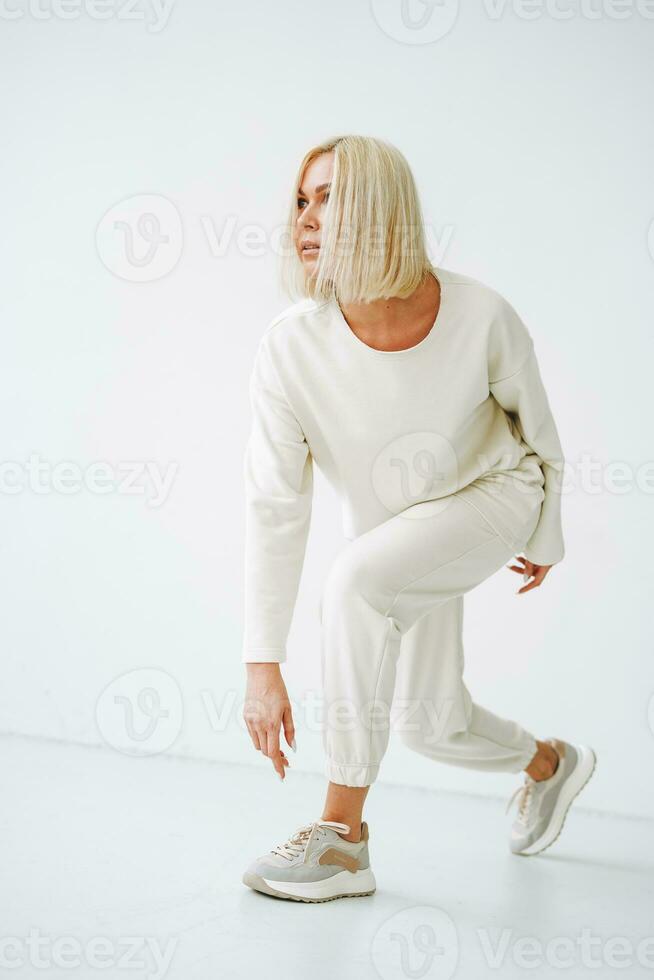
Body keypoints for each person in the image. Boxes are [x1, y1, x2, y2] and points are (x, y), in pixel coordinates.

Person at [240, 134, 596, 903]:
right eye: (301, 200)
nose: (305, 217)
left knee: (355, 585)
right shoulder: (289, 349)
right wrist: (261, 662)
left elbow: (539, 429)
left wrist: (547, 536)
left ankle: (342, 840)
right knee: (432, 723)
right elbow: (275, 505)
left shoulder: (480, 314)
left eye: (328, 196)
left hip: (497, 495)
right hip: (403, 534)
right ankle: (551, 764)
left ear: (380, 206)